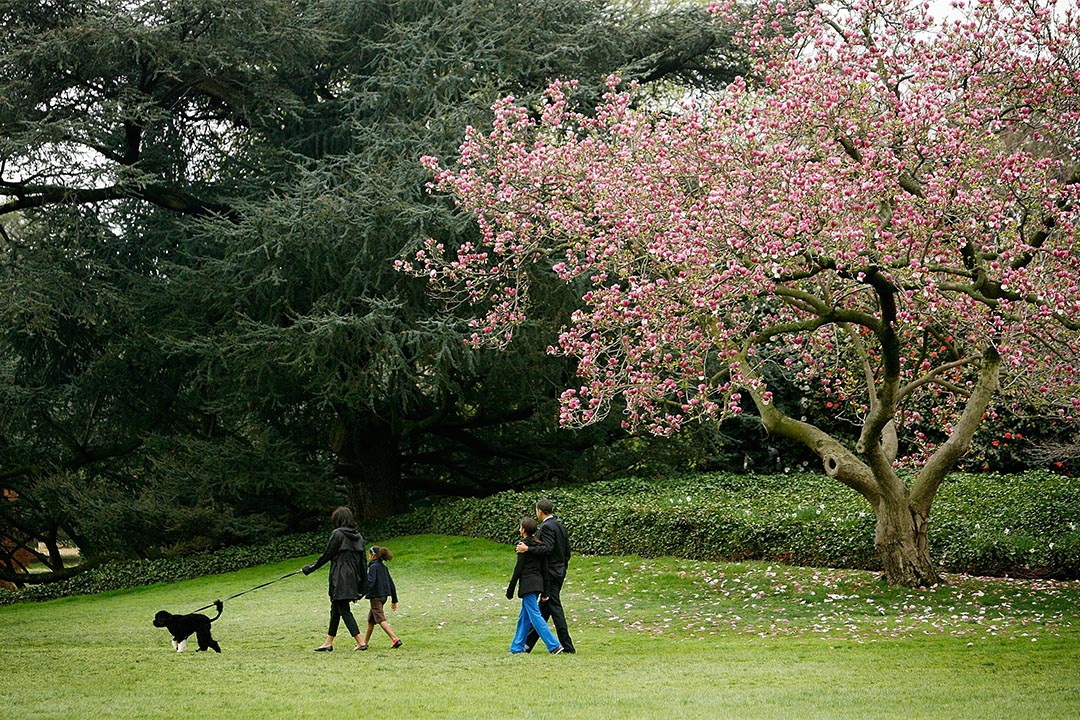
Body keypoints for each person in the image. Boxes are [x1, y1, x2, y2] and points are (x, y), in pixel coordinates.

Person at [302, 506, 367, 652]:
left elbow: (327, 555)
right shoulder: (359, 537)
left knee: (343, 608)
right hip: (353, 577)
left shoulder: (337, 534)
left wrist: (309, 568)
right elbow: (363, 564)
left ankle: (360, 642)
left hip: (340, 577)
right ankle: (328, 642)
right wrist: (362, 587)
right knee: (336, 608)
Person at [515, 498, 575, 653]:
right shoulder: (560, 526)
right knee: (544, 608)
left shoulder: (547, 527)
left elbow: (547, 549)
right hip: (559, 571)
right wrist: (562, 568)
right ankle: (527, 644)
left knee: (554, 608)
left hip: (551, 573)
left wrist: (528, 549)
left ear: (539, 511)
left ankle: (566, 647)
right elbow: (566, 552)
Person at [507, 516, 563, 655]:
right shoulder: (540, 546)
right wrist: (546, 591)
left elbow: (518, 570)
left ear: (524, 530)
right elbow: (545, 570)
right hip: (538, 585)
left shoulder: (523, 547)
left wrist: (511, 589)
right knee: (524, 617)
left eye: (520, 527)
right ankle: (516, 647)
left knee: (535, 616)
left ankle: (554, 645)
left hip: (528, 585)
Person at [358, 545, 402, 650]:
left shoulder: (373, 567)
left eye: (369, 554)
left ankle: (395, 639)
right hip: (384, 597)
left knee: (381, 619)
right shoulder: (383, 567)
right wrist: (394, 600)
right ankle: (364, 643)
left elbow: (370, 582)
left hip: (376, 597)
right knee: (371, 620)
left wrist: (361, 594)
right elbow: (391, 584)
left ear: (373, 555)